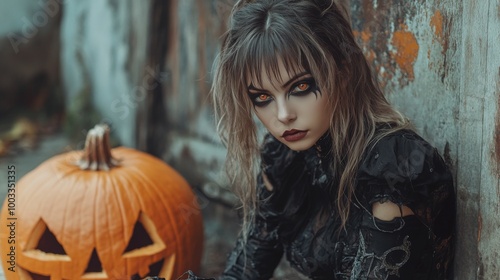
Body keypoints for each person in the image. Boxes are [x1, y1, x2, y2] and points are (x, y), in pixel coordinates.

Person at [207, 0, 455, 279]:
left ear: (344, 72)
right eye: (263, 97)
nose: (283, 115)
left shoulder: (391, 169)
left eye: (300, 86)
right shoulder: (283, 158)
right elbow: (245, 271)